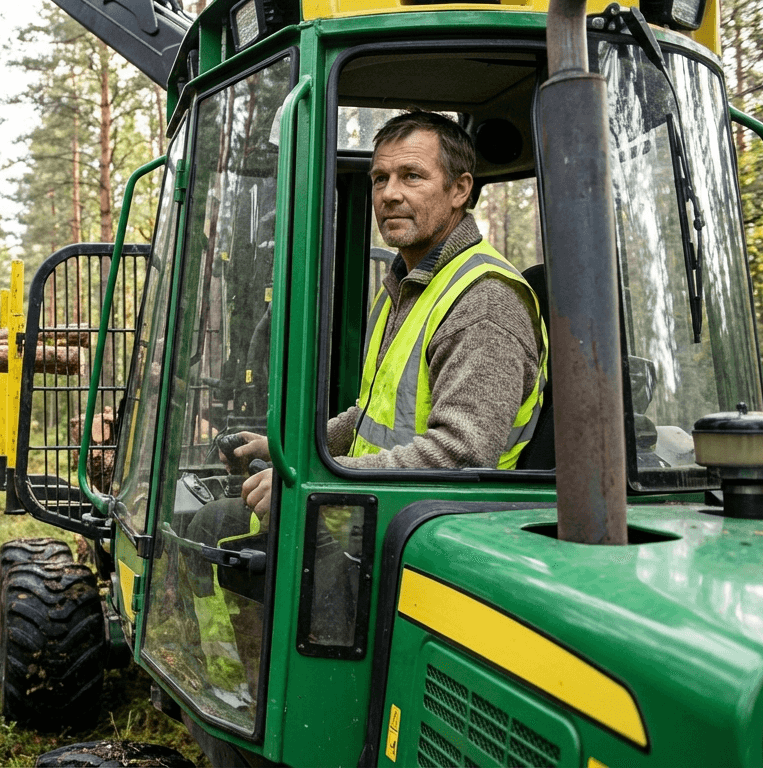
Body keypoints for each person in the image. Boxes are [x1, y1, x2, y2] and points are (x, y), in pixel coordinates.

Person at [230, 110, 547, 514]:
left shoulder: (483, 301)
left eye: (411, 176)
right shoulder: (405, 284)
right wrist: (287, 450)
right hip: (376, 512)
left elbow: (460, 457)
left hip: (429, 530)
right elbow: (372, 416)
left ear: (460, 189)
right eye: (380, 178)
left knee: (219, 532)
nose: (389, 194)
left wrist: (314, 483)